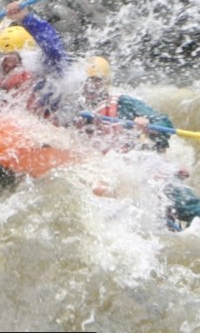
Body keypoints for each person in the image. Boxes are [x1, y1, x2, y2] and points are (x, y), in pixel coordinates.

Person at [76, 56, 200, 229]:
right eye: (87, 81)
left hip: (139, 165)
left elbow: (164, 123)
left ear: (106, 82)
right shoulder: (75, 110)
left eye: (96, 81)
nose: (90, 86)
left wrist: (148, 126)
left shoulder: (124, 103)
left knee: (179, 198)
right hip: (104, 171)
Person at [0, 1, 68, 115]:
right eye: (2, 57)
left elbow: (54, 49)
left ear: (23, 57)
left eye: (12, 57)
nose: (7, 64)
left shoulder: (42, 74)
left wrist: (25, 18)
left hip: (37, 125)